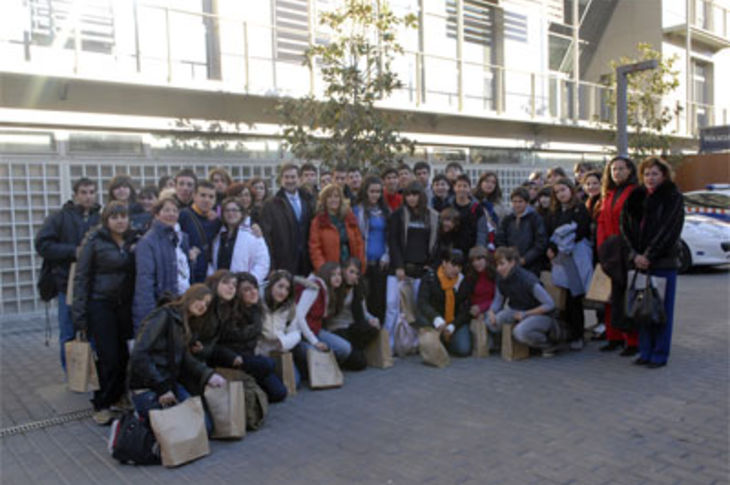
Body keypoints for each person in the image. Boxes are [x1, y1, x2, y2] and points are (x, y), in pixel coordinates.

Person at [72, 201, 135, 425]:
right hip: (101, 305)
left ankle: (118, 398)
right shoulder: (95, 241)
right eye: (114, 217)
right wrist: (79, 315)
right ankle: (102, 404)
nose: (120, 221)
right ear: (106, 220)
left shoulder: (133, 240)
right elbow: (82, 278)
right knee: (108, 357)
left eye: (123, 216)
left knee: (124, 356)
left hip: (124, 307)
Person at [128, 284, 226, 422]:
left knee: (204, 425)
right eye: (200, 299)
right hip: (149, 384)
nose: (203, 305)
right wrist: (161, 387)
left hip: (170, 382)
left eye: (207, 303)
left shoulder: (187, 324)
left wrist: (209, 375)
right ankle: (132, 425)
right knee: (172, 430)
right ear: (190, 296)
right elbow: (139, 354)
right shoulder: (164, 315)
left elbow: (185, 359)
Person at [620, 157, 684, 368]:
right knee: (643, 309)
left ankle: (659, 353)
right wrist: (636, 255)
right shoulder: (635, 197)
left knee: (661, 310)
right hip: (639, 263)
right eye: (646, 174)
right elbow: (625, 228)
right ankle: (645, 351)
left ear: (664, 175)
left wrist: (649, 255)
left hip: (662, 262)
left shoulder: (673, 197)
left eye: (655, 173)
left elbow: (669, 231)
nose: (650, 178)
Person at [35, 177, 100, 371]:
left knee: (95, 331)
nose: (88, 197)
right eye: (83, 192)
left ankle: (94, 372)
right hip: (67, 284)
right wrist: (73, 252)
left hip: (96, 284)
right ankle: (72, 374)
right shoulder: (59, 217)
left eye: (91, 192)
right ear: (75, 195)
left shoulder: (101, 217)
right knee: (69, 332)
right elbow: (43, 245)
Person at [216, 272, 288, 402]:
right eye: (247, 290)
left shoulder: (256, 310)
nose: (254, 292)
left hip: (250, 357)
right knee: (268, 364)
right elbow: (217, 343)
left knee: (279, 393)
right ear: (238, 293)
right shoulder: (227, 312)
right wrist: (232, 357)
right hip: (233, 358)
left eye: (255, 288)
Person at [384, 180, 439, 344]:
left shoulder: (432, 216)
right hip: (399, 270)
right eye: (408, 195)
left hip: (420, 270)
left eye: (415, 195)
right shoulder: (398, 215)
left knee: (415, 308)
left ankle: (415, 344)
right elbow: (393, 241)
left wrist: (431, 264)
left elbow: (436, 242)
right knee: (392, 306)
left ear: (421, 196)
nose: (412, 198)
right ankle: (390, 344)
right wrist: (399, 266)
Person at [596, 156, 639, 356]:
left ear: (630, 171)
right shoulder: (608, 194)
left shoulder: (635, 193)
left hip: (626, 250)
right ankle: (613, 337)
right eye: (614, 169)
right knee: (609, 297)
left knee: (627, 296)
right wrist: (602, 249)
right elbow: (602, 224)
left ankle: (632, 341)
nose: (617, 172)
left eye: (622, 169)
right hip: (609, 252)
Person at [545, 178, 593, 350]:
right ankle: (564, 334)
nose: (560, 194)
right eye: (557, 192)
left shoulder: (580, 209)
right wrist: (552, 246)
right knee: (561, 298)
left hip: (575, 258)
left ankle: (577, 335)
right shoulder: (554, 212)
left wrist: (562, 243)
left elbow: (581, 230)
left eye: (563, 190)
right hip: (559, 260)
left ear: (571, 190)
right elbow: (550, 233)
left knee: (575, 298)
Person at [487, 247, 560, 356]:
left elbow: (550, 304)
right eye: (497, 265)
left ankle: (548, 344)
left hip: (541, 314)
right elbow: (498, 300)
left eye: (502, 264)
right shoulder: (501, 278)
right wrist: (491, 312)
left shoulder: (527, 280)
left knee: (520, 332)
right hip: (517, 310)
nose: (498, 268)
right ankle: (509, 344)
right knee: (491, 322)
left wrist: (526, 314)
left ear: (512, 263)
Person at [132, 197, 191, 330]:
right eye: (166, 210)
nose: (171, 214)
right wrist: (147, 318)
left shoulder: (181, 238)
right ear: (157, 214)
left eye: (175, 211)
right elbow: (145, 281)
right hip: (162, 306)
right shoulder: (148, 242)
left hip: (182, 302)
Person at [294, 262, 354, 371]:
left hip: (316, 331)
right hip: (300, 335)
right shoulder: (314, 289)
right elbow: (299, 316)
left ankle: (324, 369)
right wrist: (315, 342)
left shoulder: (330, 292)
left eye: (339, 274)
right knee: (316, 354)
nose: (338, 278)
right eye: (333, 274)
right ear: (326, 275)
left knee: (345, 348)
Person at [324, 258, 380, 370]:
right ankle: (344, 355)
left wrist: (373, 319)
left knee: (372, 328)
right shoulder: (336, 286)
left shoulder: (357, 289)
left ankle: (351, 351)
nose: (354, 276)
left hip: (351, 327)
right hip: (336, 328)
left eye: (357, 273)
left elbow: (363, 313)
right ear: (344, 271)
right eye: (351, 272)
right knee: (360, 362)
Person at [260, 164, 315, 276]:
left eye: (293, 177)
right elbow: (267, 238)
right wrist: (272, 266)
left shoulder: (309, 201)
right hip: (284, 262)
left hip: (306, 262)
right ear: (281, 180)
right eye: (286, 177)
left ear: (299, 179)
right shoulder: (271, 205)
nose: (290, 180)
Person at [416, 249, 472, 357]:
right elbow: (422, 302)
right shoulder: (430, 277)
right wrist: (436, 318)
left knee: (463, 349)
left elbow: (465, 309)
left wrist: (453, 326)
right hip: (434, 319)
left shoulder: (463, 281)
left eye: (459, 267)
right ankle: (438, 340)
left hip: (454, 322)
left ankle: (446, 341)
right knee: (422, 319)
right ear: (444, 263)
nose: (456, 270)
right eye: (453, 265)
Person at [352, 176, 390, 321]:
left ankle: (379, 336)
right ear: (365, 192)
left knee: (379, 301)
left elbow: (389, 236)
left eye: (378, 192)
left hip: (381, 264)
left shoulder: (385, 211)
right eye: (372, 191)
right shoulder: (357, 211)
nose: (375, 195)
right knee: (363, 299)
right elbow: (355, 237)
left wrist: (387, 254)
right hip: (363, 263)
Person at [255, 270, 303, 386]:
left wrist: (284, 342)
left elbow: (295, 331)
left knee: (294, 382)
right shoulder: (258, 301)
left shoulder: (289, 306)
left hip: (278, 350)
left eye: (287, 289)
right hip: (259, 350)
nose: (283, 292)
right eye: (280, 286)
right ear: (271, 285)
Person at [210, 198, 270, 285]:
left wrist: (249, 281)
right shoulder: (218, 235)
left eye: (234, 210)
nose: (231, 213)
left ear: (242, 213)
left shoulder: (253, 234)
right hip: (221, 285)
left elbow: (262, 263)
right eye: (227, 210)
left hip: (243, 286)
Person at [309, 183, 365, 272]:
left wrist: (360, 266)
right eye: (329, 197)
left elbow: (359, 243)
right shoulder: (318, 222)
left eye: (336, 196)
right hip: (330, 270)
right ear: (324, 200)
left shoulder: (349, 217)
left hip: (350, 267)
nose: (333, 200)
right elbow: (315, 249)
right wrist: (323, 270)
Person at [495, 187, 547, 275]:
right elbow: (500, 239)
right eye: (514, 201)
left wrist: (525, 259)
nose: (517, 205)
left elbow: (540, 243)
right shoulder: (507, 219)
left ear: (526, 203)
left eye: (520, 201)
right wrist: (508, 257)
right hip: (510, 264)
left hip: (531, 265)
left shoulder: (535, 218)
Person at [178, 180, 221, 284]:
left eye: (211, 197)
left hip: (206, 275)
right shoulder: (183, 215)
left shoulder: (216, 221)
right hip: (187, 273)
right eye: (203, 195)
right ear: (194, 196)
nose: (207, 200)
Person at [462, 246, 496, 348]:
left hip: (492, 309)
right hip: (474, 311)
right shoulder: (471, 276)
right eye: (473, 260)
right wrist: (474, 311)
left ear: (486, 259)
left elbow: (498, 298)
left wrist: (482, 308)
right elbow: (467, 298)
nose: (476, 263)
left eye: (479, 259)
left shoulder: (495, 275)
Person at [449, 174, 479, 257]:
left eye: (465, 186)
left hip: (471, 251)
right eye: (459, 186)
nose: (462, 189)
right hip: (451, 250)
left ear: (469, 188)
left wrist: (479, 249)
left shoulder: (476, 208)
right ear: (454, 188)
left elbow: (481, 231)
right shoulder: (448, 206)